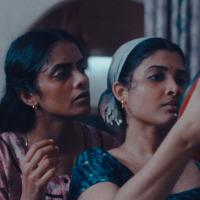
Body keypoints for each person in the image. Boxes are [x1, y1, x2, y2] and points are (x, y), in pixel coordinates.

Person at [69, 37, 200, 200]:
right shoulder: (96, 164)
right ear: (121, 92)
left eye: (180, 80)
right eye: (156, 77)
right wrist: (184, 136)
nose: (174, 88)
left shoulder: (197, 167)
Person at [0, 29, 119, 200]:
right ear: (28, 95)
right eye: (62, 74)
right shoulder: (4, 155)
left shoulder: (105, 146)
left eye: (82, 68)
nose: (82, 80)